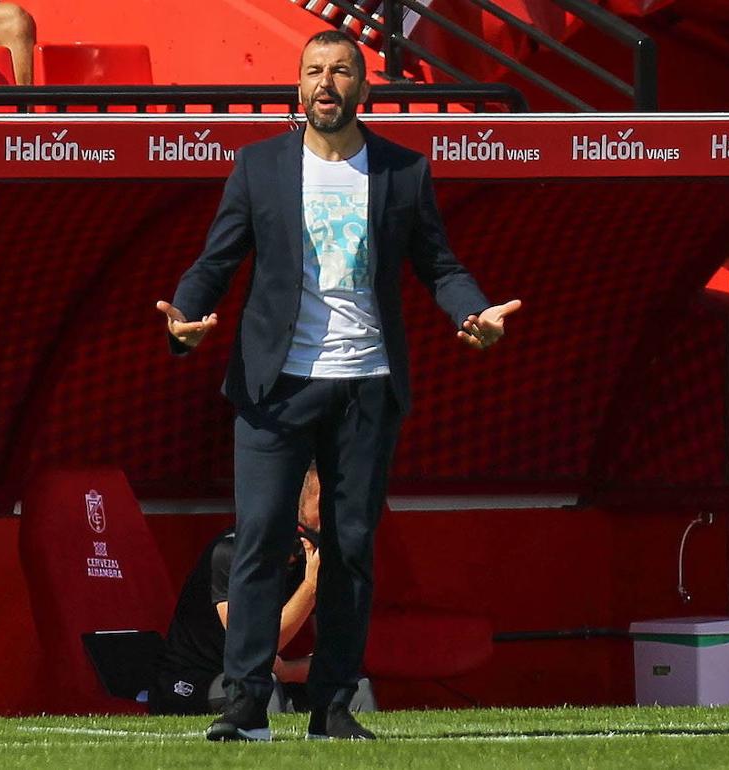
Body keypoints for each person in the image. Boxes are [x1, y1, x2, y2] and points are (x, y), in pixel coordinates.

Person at [156, 30, 521, 742]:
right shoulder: (259, 167)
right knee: (262, 537)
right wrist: (184, 315)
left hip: (366, 386)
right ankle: (245, 703)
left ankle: (332, 708)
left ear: (363, 89)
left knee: (351, 548)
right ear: (299, 88)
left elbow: (439, 265)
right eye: (315, 70)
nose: (327, 82)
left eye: (342, 71)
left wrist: (472, 312)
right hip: (275, 386)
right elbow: (216, 260)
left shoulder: (401, 172)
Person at [148, 465, 322, 716]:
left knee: (354, 688)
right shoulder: (231, 554)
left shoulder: (315, 557)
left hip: (269, 676)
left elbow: (336, 656)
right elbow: (256, 647)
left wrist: (288, 671)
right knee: (259, 688)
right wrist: (310, 587)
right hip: (192, 681)